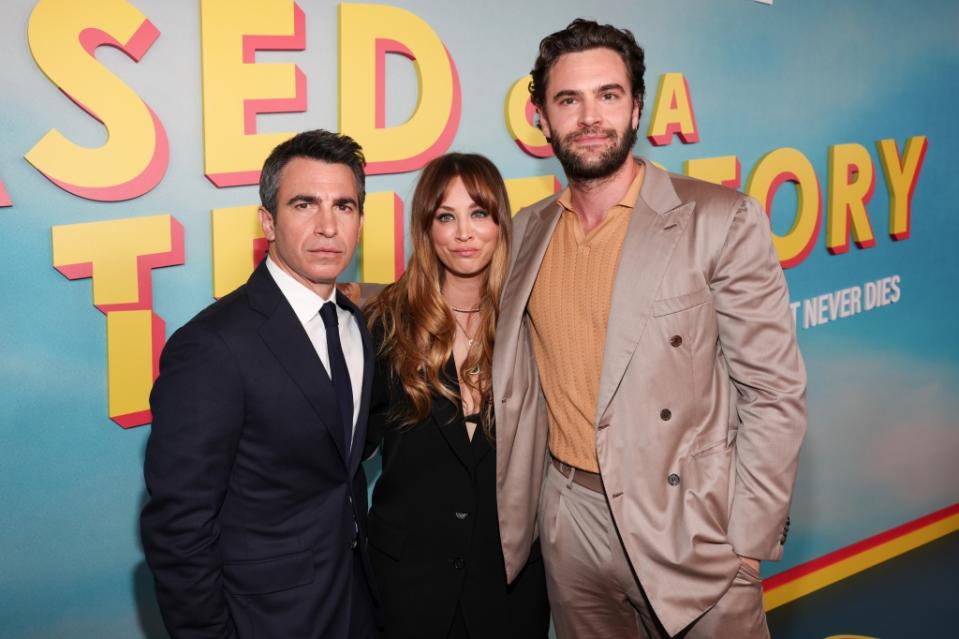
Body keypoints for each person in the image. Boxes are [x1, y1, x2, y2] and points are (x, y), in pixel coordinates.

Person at [492, 19, 808, 638]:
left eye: (608, 95)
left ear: (637, 107)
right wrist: (337, 290)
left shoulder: (719, 219)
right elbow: (449, 294)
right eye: (568, 100)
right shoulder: (526, 231)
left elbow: (774, 393)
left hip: (691, 527)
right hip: (569, 521)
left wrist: (745, 542)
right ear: (541, 118)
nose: (589, 116)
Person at [140, 129, 379, 638]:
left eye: (344, 206)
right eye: (303, 204)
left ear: (361, 219)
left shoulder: (355, 325)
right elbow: (177, 529)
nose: (327, 226)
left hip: (355, 601)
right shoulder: (212, 346)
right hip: (265, 620)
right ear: (267, 221)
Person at [363, 153, 550, 638]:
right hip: (407, 582)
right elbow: (346, 449)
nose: (464, 233)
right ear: (427, 229)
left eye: (479, 214)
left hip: (511, 581)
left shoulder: (534, 320)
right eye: (446, 217)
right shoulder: (384, 323)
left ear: (500, 224)